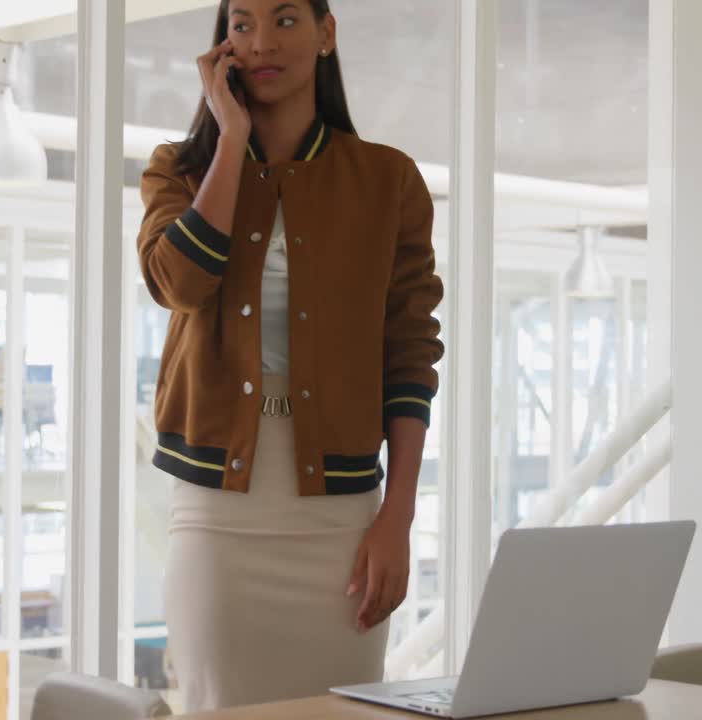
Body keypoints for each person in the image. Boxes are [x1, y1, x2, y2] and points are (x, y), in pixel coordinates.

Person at [136, 0, 444, 711]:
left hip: (341, 522)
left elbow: (409, 351)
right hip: (218, 519)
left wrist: (397, 517)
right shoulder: (178, 170)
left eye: (284, 20)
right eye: (241, 24)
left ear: (325, 33)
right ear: (222, 46)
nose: (261, 43)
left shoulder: (389, 179)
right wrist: (231, 140)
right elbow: (179, 284)